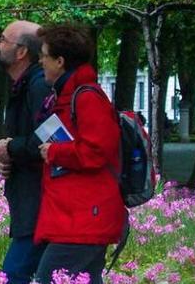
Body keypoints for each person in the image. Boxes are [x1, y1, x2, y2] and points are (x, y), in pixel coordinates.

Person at [34, 25, 126, 284]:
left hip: (83, 218)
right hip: (77, 216)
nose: (40, 61)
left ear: (60, 61)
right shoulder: (67, 96)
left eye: (44, 55)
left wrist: (55, 151)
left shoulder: (86, 97)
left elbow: (96, 151)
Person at [0, 20, 50, 284]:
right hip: (31, 205)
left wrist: (9, 148)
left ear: (22, 52)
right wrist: (8, 157)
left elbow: (50, 137)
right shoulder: (25, 85)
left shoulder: (39, 86)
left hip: (40, 206)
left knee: (15, 273)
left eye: (2, 40)